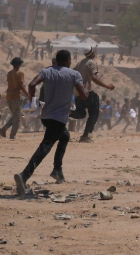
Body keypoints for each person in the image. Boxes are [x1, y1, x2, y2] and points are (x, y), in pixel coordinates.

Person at [14, 50, 89, 195]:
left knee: (65, 136)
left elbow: (32, 84)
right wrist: (86, 88)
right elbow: (84, 96)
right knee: (46, 145)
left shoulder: (47, 71)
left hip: (46, 116)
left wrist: (32, 100)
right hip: (59, 117)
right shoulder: (74, 74)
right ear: (68, 60)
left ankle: (57, 170)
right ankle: (24, 175)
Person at [70, 48, 115, 143]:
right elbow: (94, 77)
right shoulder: (91, 62)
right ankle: (85, 136)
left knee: (81, 113)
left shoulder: (80, 63)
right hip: (86, 91)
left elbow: (72, 74)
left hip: (77, 91)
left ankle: (67, 112)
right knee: (94, 113)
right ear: (92, 53)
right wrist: (107, 86)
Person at [1, 57, 30, 139]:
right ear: (18, 65)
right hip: (16, 97)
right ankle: (12, 136)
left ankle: (4, 129)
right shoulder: (20, 73)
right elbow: (21, 86)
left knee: (15, 116)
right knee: (16, 119)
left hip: (9, 97)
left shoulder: (9, 73)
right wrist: (28, 95)